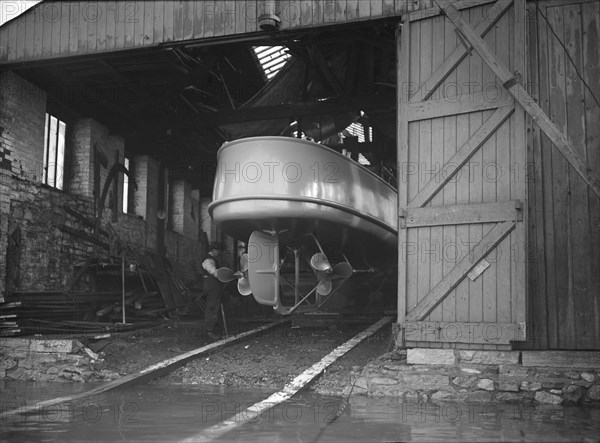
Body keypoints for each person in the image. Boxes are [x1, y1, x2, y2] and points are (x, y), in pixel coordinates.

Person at [201, 241, 223, 339]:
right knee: (212, 306)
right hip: (211, 285)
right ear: (213, 250)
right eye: (218, 251)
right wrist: (228, 274)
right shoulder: (208, 260)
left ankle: (213, 328)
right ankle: (209, 331)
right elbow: (215, 273)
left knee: (214, 306)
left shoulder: (212, 259)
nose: (218, 253)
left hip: (213, 285)